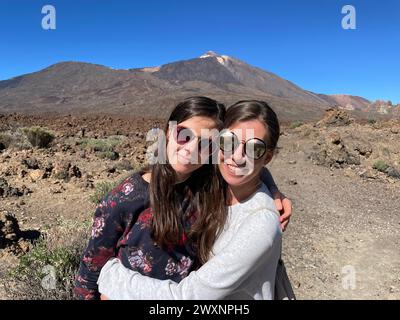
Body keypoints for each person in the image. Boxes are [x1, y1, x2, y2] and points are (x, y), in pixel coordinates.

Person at [74, 97, 291, 299]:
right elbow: (90, 271)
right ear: (168, 132)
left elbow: (244, 162)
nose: (190, 149)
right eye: (183, 135)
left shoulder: (205, 181)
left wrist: (271, 191)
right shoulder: (125, 198)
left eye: (206, 143)